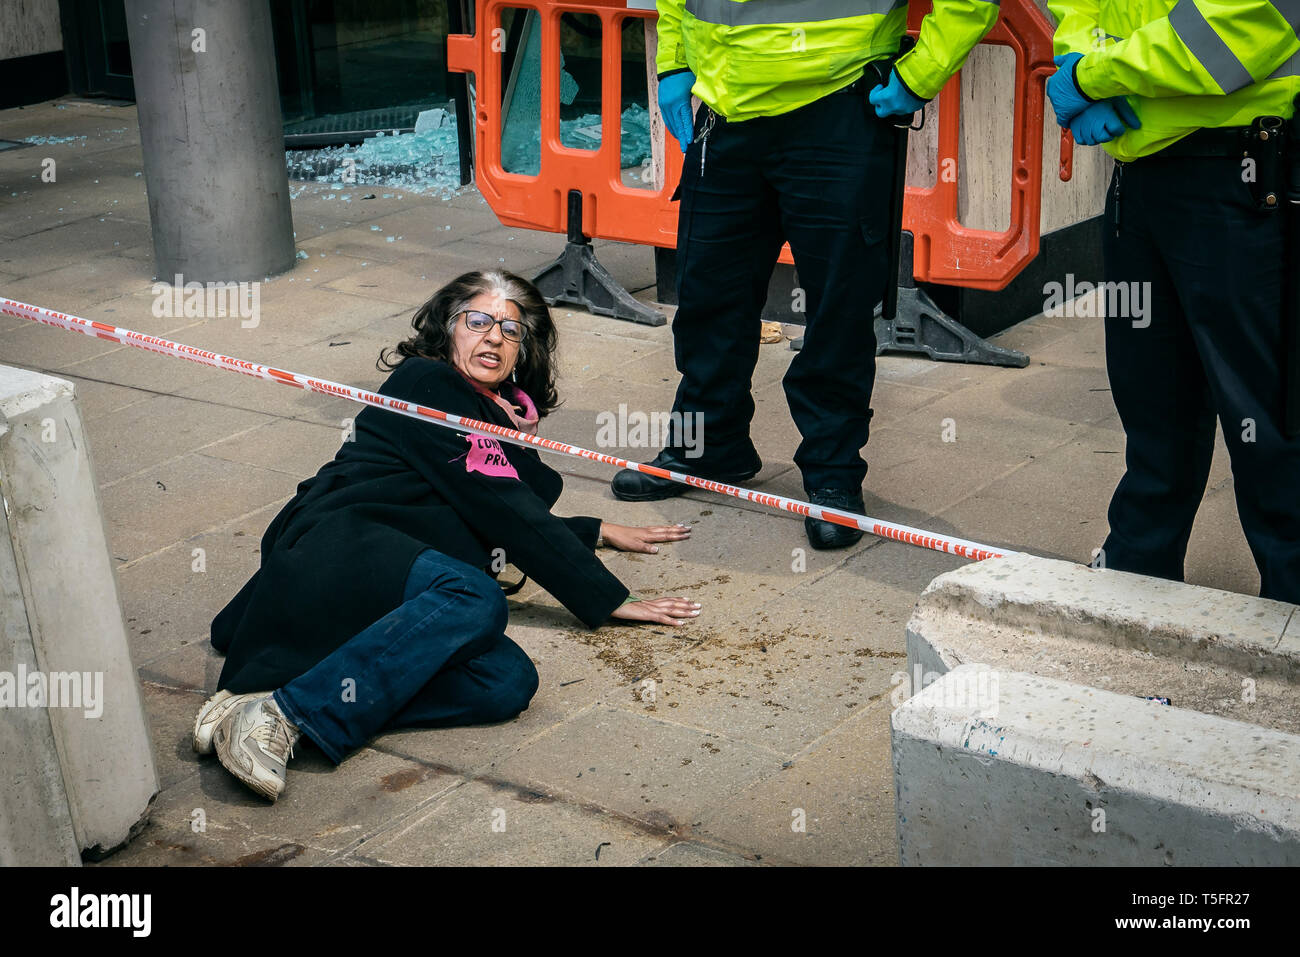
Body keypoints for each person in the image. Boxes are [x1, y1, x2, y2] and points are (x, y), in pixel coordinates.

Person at [197, 270, 701, 801]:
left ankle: (290, 698)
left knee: (506, 682)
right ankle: (281, 716)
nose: (494, 338)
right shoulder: (425, 381)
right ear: (447, 327)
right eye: (478, 321)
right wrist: (606, 597)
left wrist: (588, 528)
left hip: (398, 567)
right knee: (473, 598)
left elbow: (474, 506)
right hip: (343, 545)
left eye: (512, 332)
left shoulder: (484, 414)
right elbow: (501, 507)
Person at [611, 1, 1001, 549]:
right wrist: (674, 63)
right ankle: (707, 446)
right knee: (707, 295)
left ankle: (833, 473)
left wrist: (919, 76)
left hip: (838, 105)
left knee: (837, 309)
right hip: (726, 113)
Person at [1046, 1, 1300, 602]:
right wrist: (1077, 63)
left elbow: (1242, 28)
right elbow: (1080, 6)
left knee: (1267, 418)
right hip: (1140, 177)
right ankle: (1138, 580)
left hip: (1241, 170)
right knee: (1152, 399)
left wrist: (1088, 77)